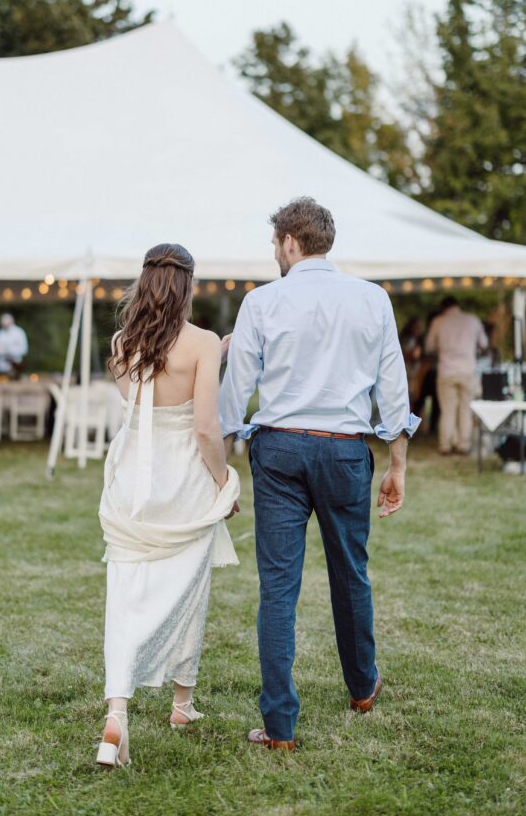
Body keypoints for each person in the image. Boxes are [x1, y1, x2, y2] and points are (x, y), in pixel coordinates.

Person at [219, 197, 419, 751]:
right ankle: (362, 687)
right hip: (345, 451)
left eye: (274, 244)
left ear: (289, 242)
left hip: (280, 451)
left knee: (278, 586)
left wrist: (221, 462)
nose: (274, 253)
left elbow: (235, 392)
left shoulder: (261, 301)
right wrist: (398, 465)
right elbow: (393, 389)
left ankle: (280, 726)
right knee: (351, 573)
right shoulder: (373, 299)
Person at [96, 243, 240, 769]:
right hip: (183, 481)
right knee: (189, 589)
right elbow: (204, 428)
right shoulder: (202, 342)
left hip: (131, 482)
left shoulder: (121, 342)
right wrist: (224, 482)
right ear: (188, 285)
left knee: (124, 596)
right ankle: (181, 703)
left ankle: (118, 713)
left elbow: (141, 406)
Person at [425, 296, 488, 455]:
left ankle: (446, 444)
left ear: (443, 308)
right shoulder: (472, 320)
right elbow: (484, 344)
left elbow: (429, 346)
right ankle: (463, 445)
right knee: (466, 409)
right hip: (467, 370)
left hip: (446, 371)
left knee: (447, 410)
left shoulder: (438, 322)